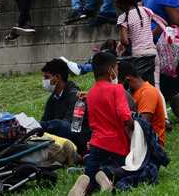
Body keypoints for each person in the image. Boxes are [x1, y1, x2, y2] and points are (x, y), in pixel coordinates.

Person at [68, 52, 133, 196]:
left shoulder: (91, 93)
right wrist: (133, 126)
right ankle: (107, 176)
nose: (117, 71)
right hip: (117, 145)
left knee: (90, 175)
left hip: (96, 144)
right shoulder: (117, 89)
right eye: (116, 67)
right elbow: (125, 116)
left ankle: (85, 185)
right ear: (110, 70)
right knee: (128, 170)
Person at [39, 59, 90, 154]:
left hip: (79, 143)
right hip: (64, 140)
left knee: (60, 125)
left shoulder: (75, 97)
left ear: (57, 77)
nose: (44, 81)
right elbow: (45, 119)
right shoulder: (53, 97)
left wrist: (42, 126)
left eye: (47, 77)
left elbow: (69, 127)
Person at [119, 61, 166, 147]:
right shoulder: (134, 93)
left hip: (151, 145)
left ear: (128, 80)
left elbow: (142, 125)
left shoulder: (148, 92)